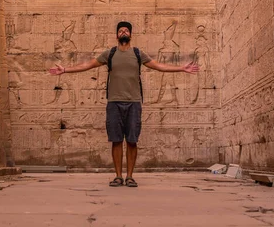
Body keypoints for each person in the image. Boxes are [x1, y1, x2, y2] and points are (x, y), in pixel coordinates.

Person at [48, 21, 199, 187]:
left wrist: (181, 69)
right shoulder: (110, 54)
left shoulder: (137, 53)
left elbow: (158, 66)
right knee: (117, 140)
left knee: (132, 140)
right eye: (120, 31)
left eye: (126, 30)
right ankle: (118, 176)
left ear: (131, 35)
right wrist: (65, 70)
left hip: (134, 103)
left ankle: (130, 176)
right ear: (117, 35)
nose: (123, 32)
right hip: (114, 103)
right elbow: (88, 65)